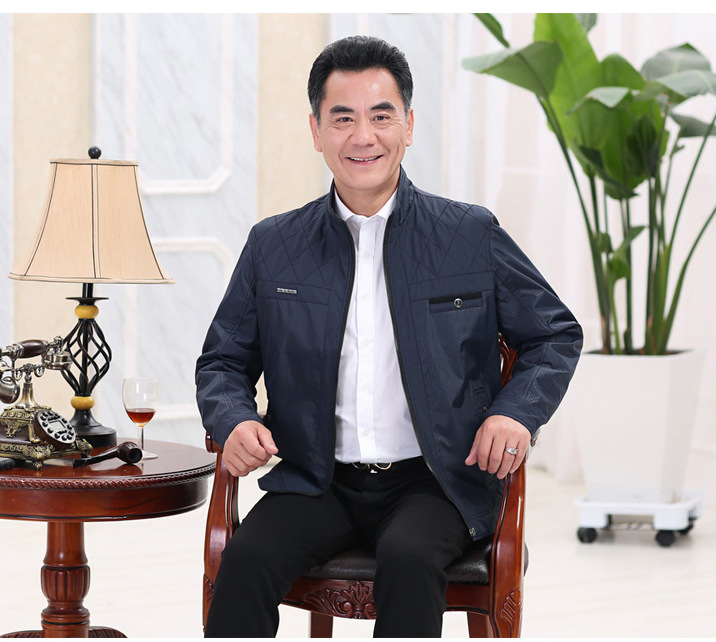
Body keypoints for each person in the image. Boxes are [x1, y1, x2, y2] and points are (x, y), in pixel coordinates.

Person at [196, 34, 583, 638]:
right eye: (342, 118)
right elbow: (222, 361)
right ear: (316, 130)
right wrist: (234, 420)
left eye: (381, 116)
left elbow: (554, 333)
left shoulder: (468, 234)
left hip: (436, 481)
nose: (363, 137)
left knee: (409, 560)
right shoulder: (274, 245)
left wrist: (516, 414)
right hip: (316, 479)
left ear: (408, 125)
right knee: (244, 560)